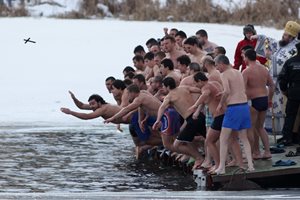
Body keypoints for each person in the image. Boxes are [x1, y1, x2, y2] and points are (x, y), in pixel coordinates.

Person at [253, 21, 300, 142]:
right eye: (283, 34)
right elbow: (271, 42)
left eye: (285, 35)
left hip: (283, 83)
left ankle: (284, 134)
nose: (283, 36)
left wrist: (271, 57)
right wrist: (260, 37)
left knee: (285, 110)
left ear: (292, 37)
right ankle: (277, 133)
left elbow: (284, 62)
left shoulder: (294, 48)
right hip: (273, 82)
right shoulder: (282, 44)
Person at [152, 77, 206, 170]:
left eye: (164, 87)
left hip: (192, 120)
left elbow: (162, 108)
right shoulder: (184, 88)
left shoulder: (170, 96)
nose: (163, 89)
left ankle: (198, 158)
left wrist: (157, 120)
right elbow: (200, 90)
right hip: (199, 116)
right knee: (208, 139)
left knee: (177, 144)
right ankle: (207, 156)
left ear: (168, 86)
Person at [213, 55, 254, 175]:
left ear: (221, 63)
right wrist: (224, 93)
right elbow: (237, 89)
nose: (217, 68)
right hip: (244, 106)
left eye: (216, 65)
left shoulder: (224, 74)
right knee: (244, 138)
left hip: (234, 108)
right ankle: (251, 166)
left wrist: (221, 103)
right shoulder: (237, 72)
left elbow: (227, 91)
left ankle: (221, 167)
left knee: (223, 138)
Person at [189, 72, 224, 173]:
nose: (195, 86)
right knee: (228, 140)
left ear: (200, 81)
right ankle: (227, 162)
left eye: (196, 83)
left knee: (209, 141)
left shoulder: (205, 87)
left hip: (219, 116)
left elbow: (205, 94)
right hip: (224, 114)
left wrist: (195, 105)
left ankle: (218, 165)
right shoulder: (215, 84)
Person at [242, 49, 275, 159]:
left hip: (253, 101)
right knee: (260, 128)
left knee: (250, 128)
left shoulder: (246, 71)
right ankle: (267, 152)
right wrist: (270, 99)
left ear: (247, 58)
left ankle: (253, 153)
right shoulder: (264, 69)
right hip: (264, 99)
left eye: (244, 57)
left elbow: (242, 89)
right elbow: (272, 85)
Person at [278, 42, 300, 145]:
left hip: (294, 91)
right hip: (294, 90)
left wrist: (285, 90)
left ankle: (287, 138)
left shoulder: (290, 62)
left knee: (290, 115)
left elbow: (282, 78)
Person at [61, 94, 129, 124]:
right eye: (90, 104)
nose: (91, 106)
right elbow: (81, 106)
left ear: (99, 102)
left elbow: (86, 116)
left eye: (93, 104)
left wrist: (70, 112)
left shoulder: (102, 109)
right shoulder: (100, 106)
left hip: (133, 118)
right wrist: (74, 98)